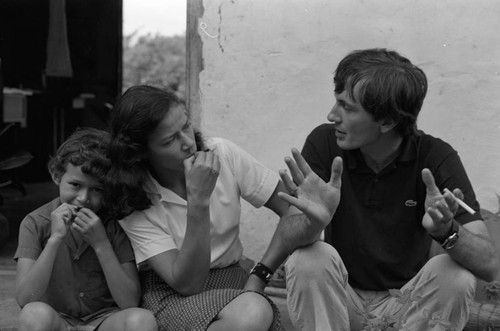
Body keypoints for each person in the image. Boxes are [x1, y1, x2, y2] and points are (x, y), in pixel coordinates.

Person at [284, 48, 500, 331]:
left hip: (406, 308)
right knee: (309, 258)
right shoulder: (325, 143)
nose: (332, 115)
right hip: (342, 300)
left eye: (347, 107)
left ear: (387, 121)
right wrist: (312, 223)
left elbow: (489, 265)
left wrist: (447, 231)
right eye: (337, 102)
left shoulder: (435, 156)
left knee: (455, 275)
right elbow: (288, 236)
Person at [104, 85, 343, 331]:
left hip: (235, 283)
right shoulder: (133, 197)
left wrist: (260, 276)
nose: (187, 143)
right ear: (141, 153)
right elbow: (187, 284)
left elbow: (292, 211)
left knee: (253, 309)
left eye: (185, 126)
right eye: (169, 141)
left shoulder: (222, 153)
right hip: (172, 297)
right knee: (252, 313)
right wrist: (198, 200)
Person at [15, 128, 158, 331]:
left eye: (97, 189)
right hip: (57, 320)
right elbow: (25, 298)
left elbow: (129, 302)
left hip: (105, 321)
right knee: (32, 315)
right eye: (75, 185)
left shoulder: (116, 224)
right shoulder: (35, 223)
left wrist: (101, 243)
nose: (83, 198)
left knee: (142, 320)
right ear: (57, 176)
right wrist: (55, 240)